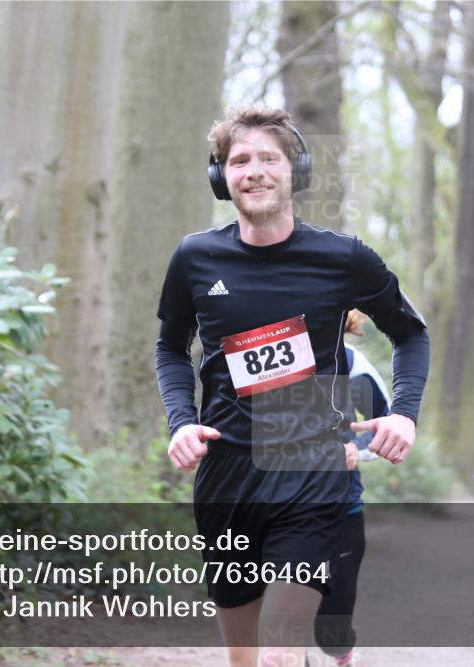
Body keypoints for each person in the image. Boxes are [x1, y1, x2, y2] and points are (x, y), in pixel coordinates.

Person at [155, 106, 429, 667]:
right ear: (220, 177)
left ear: (293, 171)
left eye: (267, 158)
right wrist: (181, 422)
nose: (253, 171)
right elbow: (170, 349)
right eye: (238, 161)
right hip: (227, 479)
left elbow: (410, 334)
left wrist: (404, 412)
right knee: (246, 659)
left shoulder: (342, 258)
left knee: (280, 651)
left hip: (311, 475)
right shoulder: (195, 258)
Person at [313, 309, 390, 667]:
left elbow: (385, 425)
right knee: (279, 619)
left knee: (331, 633)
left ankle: (341, 652)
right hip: (276, 507)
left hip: (340, 507)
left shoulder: (351, 362)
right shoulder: (264, 362)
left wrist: (356, 451)